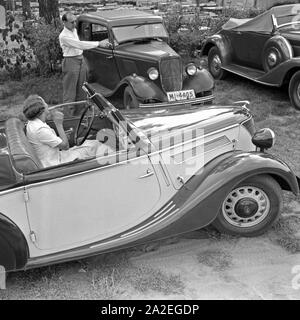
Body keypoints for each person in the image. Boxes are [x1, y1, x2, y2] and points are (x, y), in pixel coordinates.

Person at [23, 94, 101, 168]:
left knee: (91, 143)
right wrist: (58, 124)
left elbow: (48, 141)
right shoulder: (40, 129)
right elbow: (65, 146)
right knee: (96, 145)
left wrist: (61, 137)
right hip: (56, 163)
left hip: (57, 157)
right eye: (45, 103)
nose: (47, 105)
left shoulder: (33, 123)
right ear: (42, 109)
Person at [59, 12, 108, 112]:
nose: (74, 24)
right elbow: (80, 45)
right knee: (70, 91)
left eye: (75, 22)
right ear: (64, 22)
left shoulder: (74, 30)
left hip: (80, 59)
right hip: (70, 61)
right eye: (72, 22)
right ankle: (69, 116)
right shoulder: (63, 36)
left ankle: (81, 113)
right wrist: (99, 43)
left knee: (82, 88)